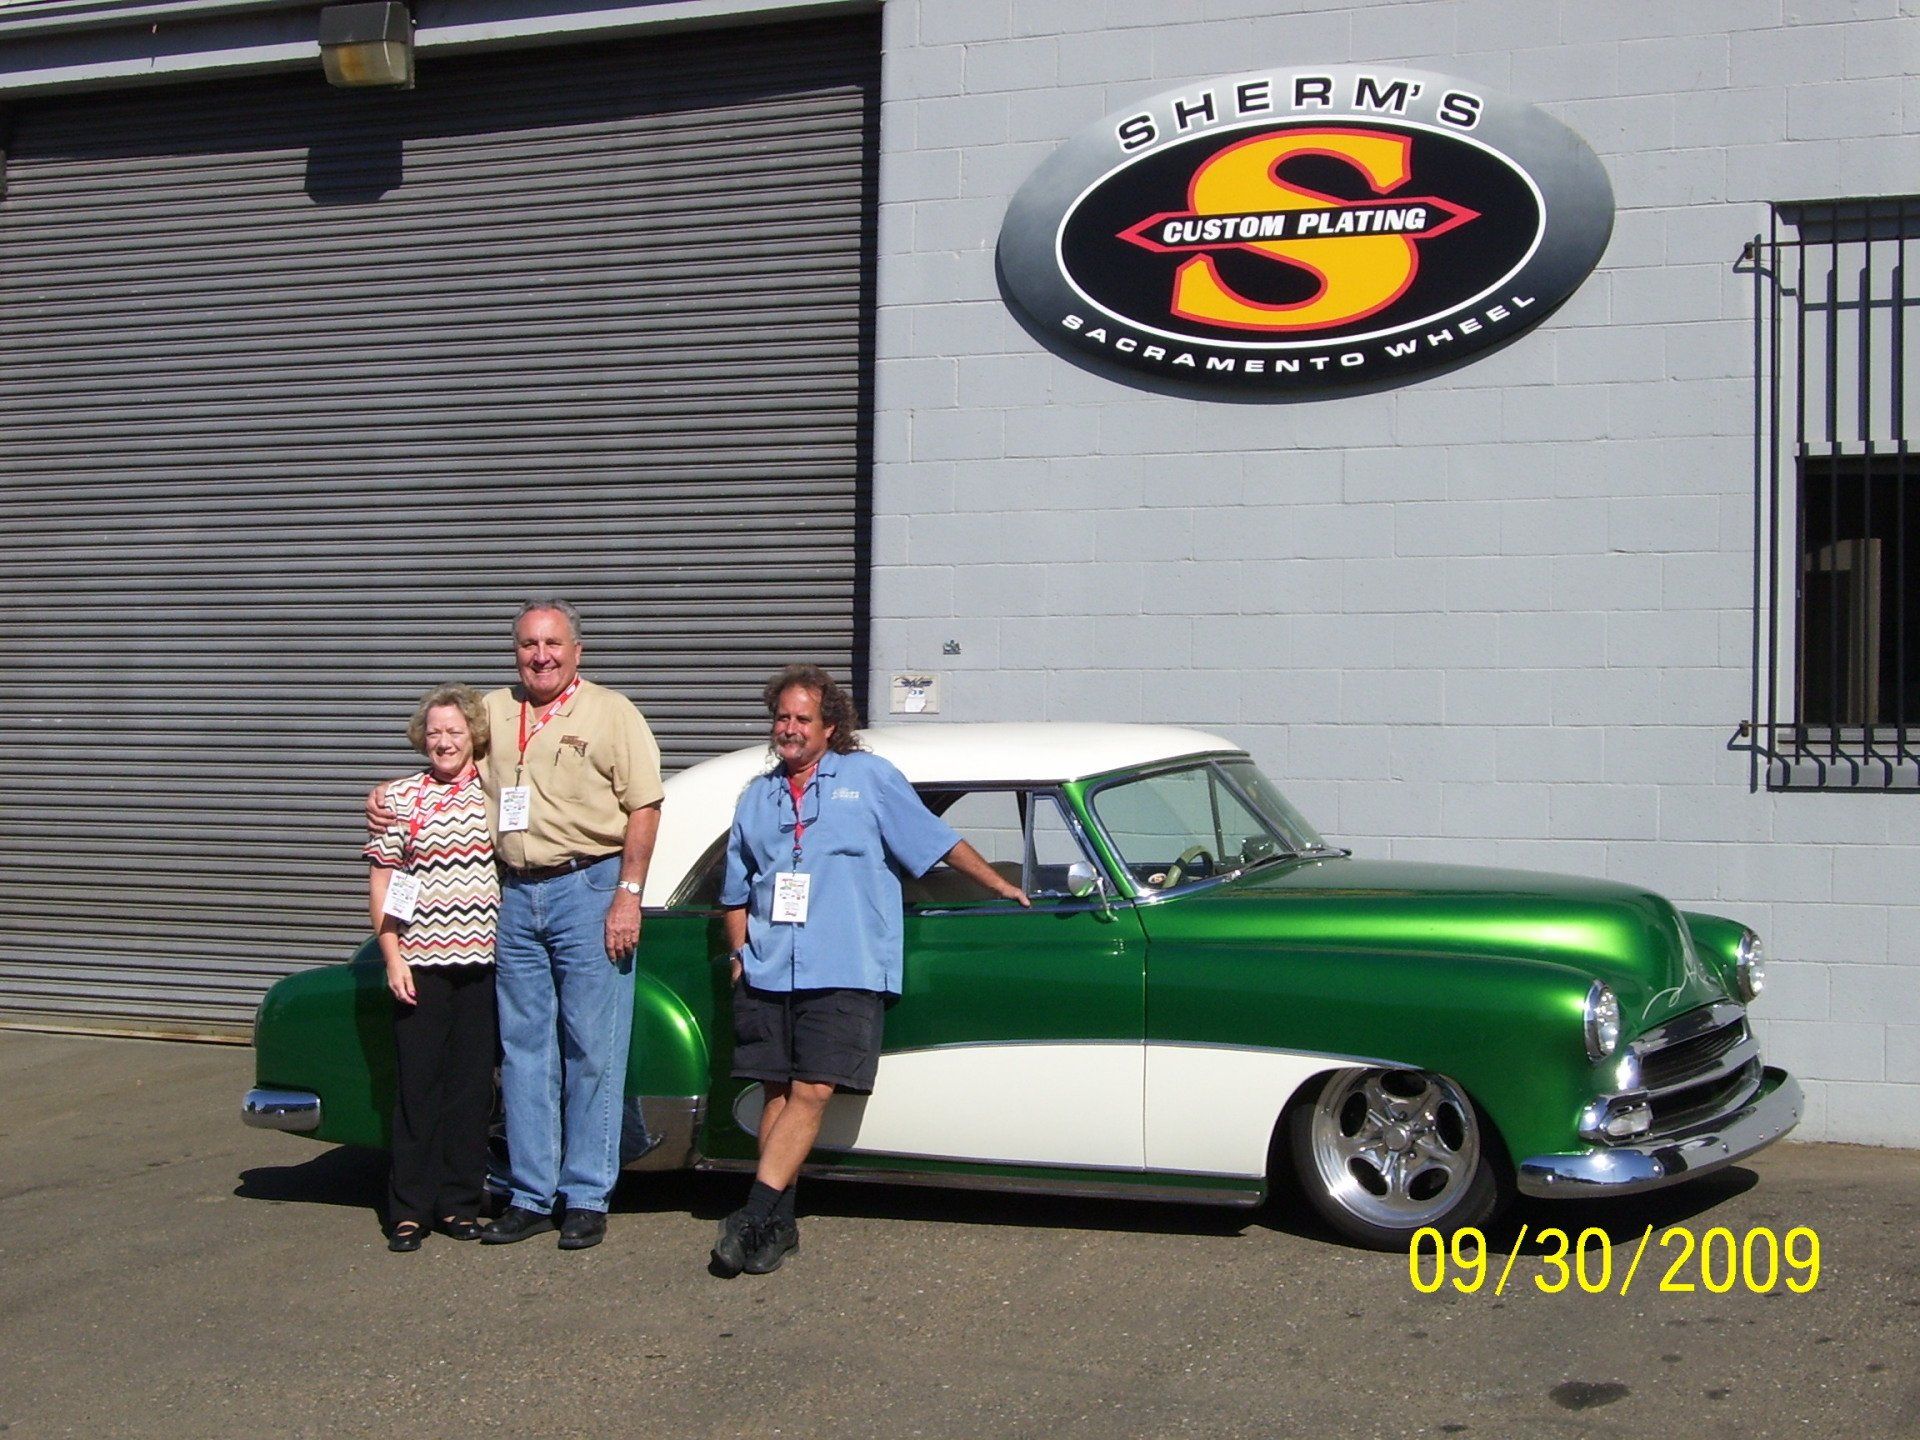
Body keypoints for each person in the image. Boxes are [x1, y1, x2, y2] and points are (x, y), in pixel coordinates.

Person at [711, 665, 1029, 1277]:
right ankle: (778, 1226)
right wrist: (736, 955)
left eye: (804, 718)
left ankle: (751, 1214)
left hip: (846, 962)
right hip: (769, 964)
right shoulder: (758, 795)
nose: (791, 729)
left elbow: (934, 840)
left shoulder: (869, 777)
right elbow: (735, 891)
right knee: (777, 1092)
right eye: (782, 718)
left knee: (813, 1090)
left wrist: (999, 884)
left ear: (831, 726)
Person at [369, 599, 664, 1251]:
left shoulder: (613, 712)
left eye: (553, 643)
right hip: (515, 895)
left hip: (589, 887)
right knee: (525, 1051)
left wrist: (628, 894)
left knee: (591, 1045)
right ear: (515, 652)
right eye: (529, 644)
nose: (541, 655)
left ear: (577, 651)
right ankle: (532, 1193)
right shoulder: (496, 713)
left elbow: (645, 805)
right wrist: (391, 792)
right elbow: (445, 761)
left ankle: (586, 1193)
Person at [364, 684, 499, 1253]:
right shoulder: (398, 798)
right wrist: (391, 953)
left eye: (456, 731)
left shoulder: (498, 792)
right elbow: (384, 879)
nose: (444, 741)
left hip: (485, 961)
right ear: (423, 737)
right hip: (419, 963)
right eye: (436, 732)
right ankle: (409, 1209)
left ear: (474, 736)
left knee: (471, 1091)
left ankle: (461, 1204)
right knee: (418, 1087)